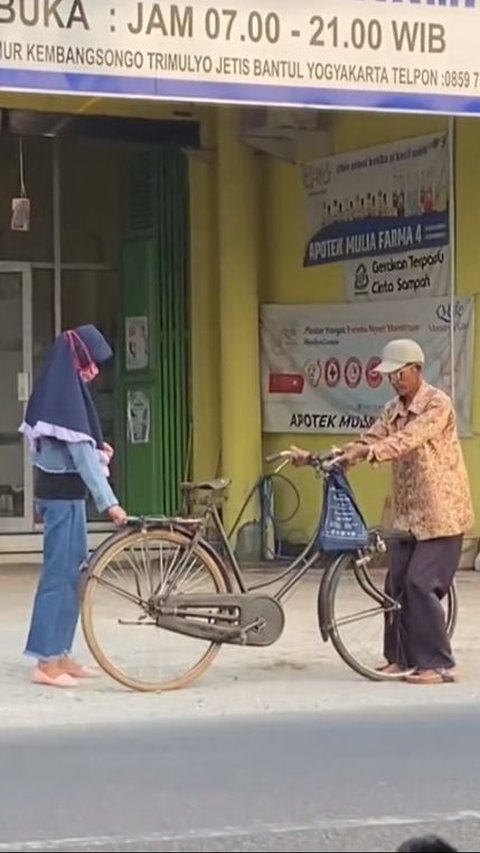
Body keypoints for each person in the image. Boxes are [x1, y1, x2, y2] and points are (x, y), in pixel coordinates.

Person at [290, 339, 474, 685]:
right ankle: (399, 657)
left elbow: (406, 440)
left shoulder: (438, 404)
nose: (394, 381)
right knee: (395, 584)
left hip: (441, 513)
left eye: (399, 374)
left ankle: (440, 663)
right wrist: (338, 454)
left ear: (417, 370)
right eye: (390, 375)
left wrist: (369, 453)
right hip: (407, 515)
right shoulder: (393, 408)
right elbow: (371, 437)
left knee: (420, 584)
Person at [20, 325, 127, 688]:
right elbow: (80, 457)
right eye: (92, 363)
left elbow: (79, 450)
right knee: (58, 577)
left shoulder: (61, 394)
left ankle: (62, 654)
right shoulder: (64, 400)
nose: (94, 371)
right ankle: (45, 662)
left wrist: (100, 453)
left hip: (68, 498)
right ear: (79, 359)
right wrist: (110, 504)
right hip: (62, 500)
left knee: (74, 577)